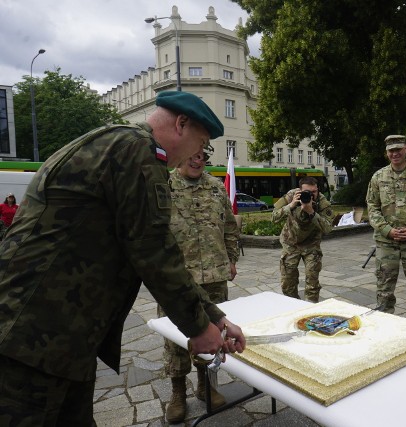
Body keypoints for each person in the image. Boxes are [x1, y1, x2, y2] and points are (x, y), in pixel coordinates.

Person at [0, 90, 246, 425]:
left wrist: (214, 317)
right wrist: (198, 326)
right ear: (181, 123)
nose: (199, 154)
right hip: (33, 338)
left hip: (55, 337)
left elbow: (156, 248)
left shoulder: (119, 143)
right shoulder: (138, 151)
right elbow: (153, 250)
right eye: (200, 142)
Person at [158, 148, 240, 422]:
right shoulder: (163, 187)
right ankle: (177, 393)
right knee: (176, 340)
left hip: (214, 276)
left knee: (215, 333)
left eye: (203, 157)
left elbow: (229, 226)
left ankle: (206, 385)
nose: (198, 160)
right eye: (192, 154)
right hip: (177, 279)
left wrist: (231, 259)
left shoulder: (216, 187)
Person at [366, 135, 406, 322]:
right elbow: (372, 207)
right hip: (386, 242)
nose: (395, 153)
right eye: (391, 150)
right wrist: (387, 230)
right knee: (384, 287)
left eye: (398, 149)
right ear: (386, 153)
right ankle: (386, 324)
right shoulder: (379, 177)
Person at [272, 176, 333, 302]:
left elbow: (328, 228)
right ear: (299, 190)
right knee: (288, 284)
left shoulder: (322, 202)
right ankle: (294, 306)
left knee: (312, 283)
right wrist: (291, 205)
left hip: (311, 244)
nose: (311, 195)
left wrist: (311, 212)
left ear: (317, 190)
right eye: (307, 192)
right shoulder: (291, 196)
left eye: (314, 192)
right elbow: (274, 217)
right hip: (291, 242)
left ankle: (311, 310)